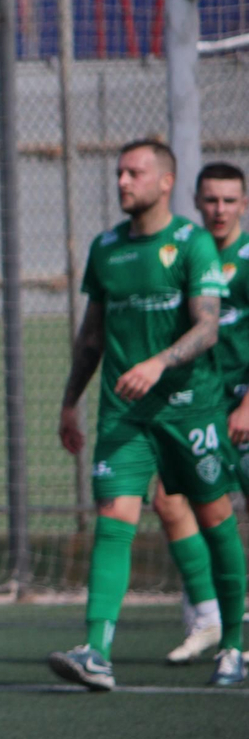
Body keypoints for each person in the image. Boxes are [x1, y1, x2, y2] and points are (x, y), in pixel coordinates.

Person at [53, 140, 246, 690]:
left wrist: (160, 364)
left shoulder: (193, 245)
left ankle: (233, 642)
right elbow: (91, 336)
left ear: (165, 182)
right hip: (125, 415)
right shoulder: (107, 248)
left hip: (191, 411)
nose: (122, 181)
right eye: (118, 172)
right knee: (114, 521)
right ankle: (96, 650)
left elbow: (208, 327)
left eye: (134, 172)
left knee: (215, 521)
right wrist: (70, 401)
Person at [152, 161, 249, 664]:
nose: (219, 209)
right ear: (196, 200)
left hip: (244, 404)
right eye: (211, 199)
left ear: (244, 204)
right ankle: (209, 619)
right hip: (202, 402)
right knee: (168, 500)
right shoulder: (188, 252)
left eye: (230, 200)